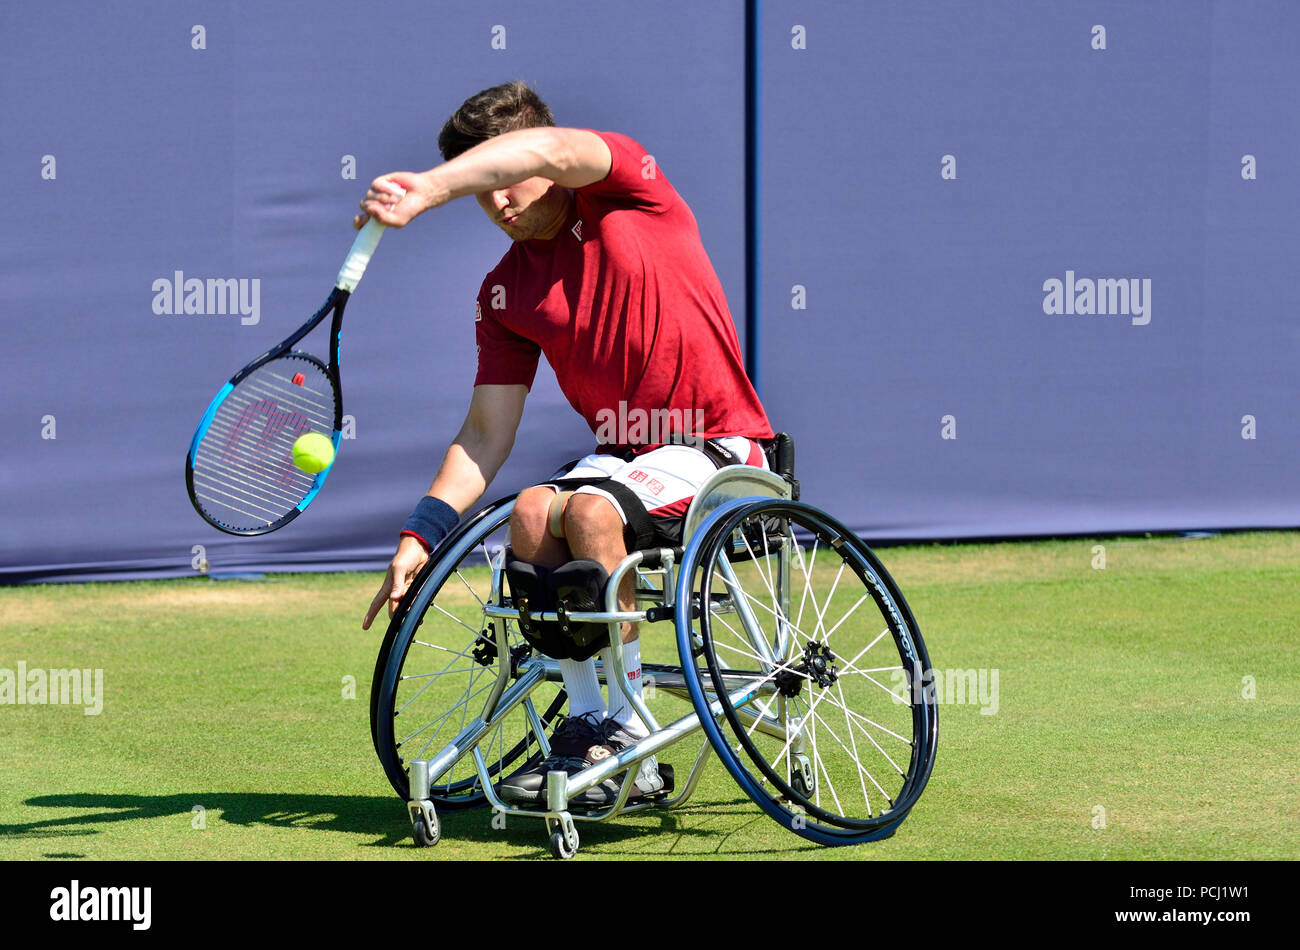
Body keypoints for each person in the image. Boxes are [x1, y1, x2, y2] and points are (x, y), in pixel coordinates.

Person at [357, 81, 772, 805]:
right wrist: (420, 534)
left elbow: (549, 147)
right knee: (530, 513)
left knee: (587, 513)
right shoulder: (503, 293)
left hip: (717, 444)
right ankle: (589, 724)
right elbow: (487, 433)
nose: (497, 202)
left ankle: (634, 739)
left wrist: (430, 189)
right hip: (623, 458)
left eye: (501, 178)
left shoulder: (632, 190)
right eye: (483, 190)